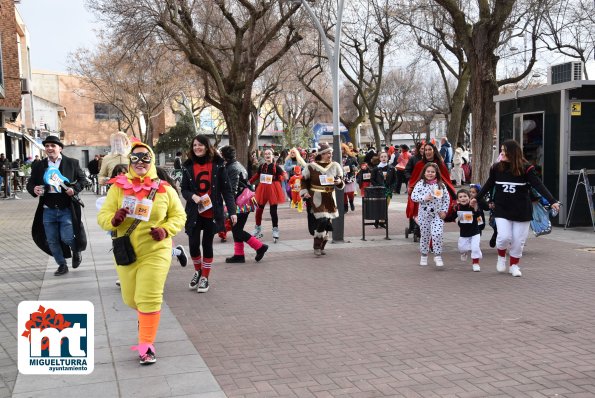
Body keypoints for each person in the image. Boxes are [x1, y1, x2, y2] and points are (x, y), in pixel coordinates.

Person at [97, 141, 186, 365]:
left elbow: (179, 216)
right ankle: (146, 317)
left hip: (156, 250)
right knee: (131, 298)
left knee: (149, 297)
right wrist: (113, 219)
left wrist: (165, 230)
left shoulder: (164, 188)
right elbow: (103, 216)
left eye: (145, 158)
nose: (140, 162)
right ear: (129, 161)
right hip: (126, 250)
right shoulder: (117, 187)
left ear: (152, 160)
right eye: (135, 158)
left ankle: (146, 346)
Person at [474, 139, 560, 277]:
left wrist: (552, 201)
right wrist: (476, 198)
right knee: (503, 237)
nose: (501, 153)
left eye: (504, 151)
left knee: (518, 241)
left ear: (513, 153)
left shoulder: (526, 168)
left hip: (522, 210)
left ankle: (514, 265)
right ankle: (501, 257)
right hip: (502, 208)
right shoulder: (496, 168)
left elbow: (538, 185)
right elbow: (488, 185)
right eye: (501, 150)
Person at [181, 134, 237, 292]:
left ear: (207, 146)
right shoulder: (188, 166)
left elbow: (227, 190)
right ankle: (198, 271)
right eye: (194, 145)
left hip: (212, 212)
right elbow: (184, 189)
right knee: (193, 245)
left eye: (200, 145)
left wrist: (232, 211)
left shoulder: (218, 165)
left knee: (207, 244)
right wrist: (193, 197)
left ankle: (205, 276)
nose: (197, 148)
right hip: (194, 211)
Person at [26, 136, 87, 276]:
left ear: (60, 148)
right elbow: (30, 183)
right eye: (47, 146)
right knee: (52, 240)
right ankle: (62, 265)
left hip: (66, 208)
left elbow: (83, 180)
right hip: (47, 209)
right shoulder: (39, 165)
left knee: (67, 237)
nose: (49, 148)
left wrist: (75, 189)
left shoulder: (72, 163)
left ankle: (76, 250)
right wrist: (34, 189)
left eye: (53, 145)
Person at [220, 145, 269, 263]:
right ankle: (239, 255)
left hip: (240, 203)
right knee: (236, 228)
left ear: (224, 156)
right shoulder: (236, 165)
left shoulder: (232, 168)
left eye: (220, 155)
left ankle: (260, 247)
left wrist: (228, 204)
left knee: (237, 230)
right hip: (245, 201)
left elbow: (232, 189)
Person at [300, 142, 344, 256]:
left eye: (330, 153)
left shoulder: (335, 166)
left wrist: (339, 182)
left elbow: (340, 181)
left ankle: (322, 245)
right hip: (316, 197)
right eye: (327, 153)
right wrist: (304, 192)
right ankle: (316, 245)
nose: (330, 155)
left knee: (327, 222)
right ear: (321, 154)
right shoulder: (311, 167)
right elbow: (303, 180)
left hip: (330, 197)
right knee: (323, 220)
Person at [411, 162, 451, 267]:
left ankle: (438, 255)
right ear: (424, 173)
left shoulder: (441, 185)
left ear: (436, 173)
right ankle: (424, 256)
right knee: (425, 236)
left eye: (432, 172)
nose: (430, 173)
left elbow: (446, 199)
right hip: (424, 214)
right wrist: (424, 198)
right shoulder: (420, 183)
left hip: (437, 214)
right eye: (428, 171)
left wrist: (444, 211)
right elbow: (413, 196)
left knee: (437, 234)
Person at [249, 148, 286, 241]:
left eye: (269, 153)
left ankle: (275, 229)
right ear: (264, 156)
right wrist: (248, 182)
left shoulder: (276, 166)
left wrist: (279, 177)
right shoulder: (261, 166)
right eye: (265, 154)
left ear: (273, 156)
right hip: (262, 189)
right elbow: (256, 175)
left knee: (273, 211)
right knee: (259, 210)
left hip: (273, 189)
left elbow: (284, 175)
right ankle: (257, 228)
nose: (267, 155)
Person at [448, 188, 485, 272]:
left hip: (475, 232)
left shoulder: (473, 206)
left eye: (465, 196)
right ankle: (464, 252)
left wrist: (480, 224)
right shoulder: (457, 208)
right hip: (464, 233)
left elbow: (479, 217)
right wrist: (444, 218)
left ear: (469, 197)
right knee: (462, 248)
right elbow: (452, 217)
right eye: (460, 197)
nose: (463, 198)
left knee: (475, 248)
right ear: (458, 200)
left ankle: (476, 264)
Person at [370, 152, 396, 228]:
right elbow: (372, 179)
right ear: (379, 158)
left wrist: (392, 187)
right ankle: (378, 220)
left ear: (388, 158)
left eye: (385, 156)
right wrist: (377, 186)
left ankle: (381, 221)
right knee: (379, 206)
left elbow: (395, 179)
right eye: (382, 157)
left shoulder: (391, 168)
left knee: (385, 206)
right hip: (379, 190)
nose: (384, 158)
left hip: (388, 190)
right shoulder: (376, 169)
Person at [341, 143, 359, 212]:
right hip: (341, 178)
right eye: (341, 149)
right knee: (343, 193)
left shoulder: (352, 158)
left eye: (343, 149)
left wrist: (355, 168)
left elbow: (357, 166)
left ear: (346, 149)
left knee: (350, 192)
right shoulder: (337, 158)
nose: (342, 151)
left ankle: (351, 202)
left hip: (350, 177)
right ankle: (345, 206)